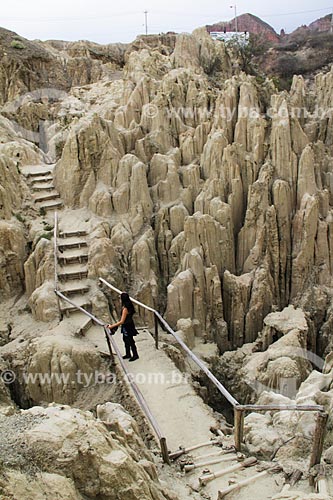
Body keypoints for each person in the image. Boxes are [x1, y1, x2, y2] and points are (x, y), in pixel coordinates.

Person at [107, 292, 139, 362]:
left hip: (127, 326)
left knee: (130, 341)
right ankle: (128, 354)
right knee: (126, 340)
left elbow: (122, 321)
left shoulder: (125, 309)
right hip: (129, 325)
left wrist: (111, 326)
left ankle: (135, 355)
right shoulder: (129, 306)